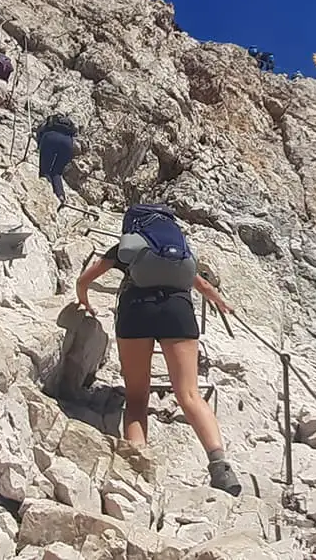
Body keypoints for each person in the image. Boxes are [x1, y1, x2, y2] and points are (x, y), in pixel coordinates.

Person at [74, 205, 242, 496]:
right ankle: (220, 465)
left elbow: (86, 279)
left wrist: (83, 299)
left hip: (136, 311)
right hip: (178, 312)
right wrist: (218, 300)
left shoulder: (127, 247)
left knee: (138, 396)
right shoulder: (175, 249)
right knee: (189, 394)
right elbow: (199, 283)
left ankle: (136, 464)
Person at [36, 113, 78, 208]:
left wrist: (39, 144)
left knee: (45, 170)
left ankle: (47, 194)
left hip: (50, 138)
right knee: (57, 172)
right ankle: (60, 195)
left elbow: (40, 132)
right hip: (67, 143)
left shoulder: (50, 121)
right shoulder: (68, 126)